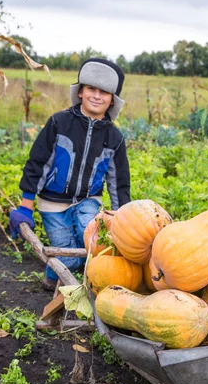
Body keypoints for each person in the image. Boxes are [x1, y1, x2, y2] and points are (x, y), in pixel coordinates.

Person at [9, 58, 131, 291]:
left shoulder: (114, 138)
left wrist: (122, 216)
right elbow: (38, 162)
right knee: (68, 255)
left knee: (93, 246)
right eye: (91, 89)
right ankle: (53, 279)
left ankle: (89, 285)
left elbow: (119, 182)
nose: (97, 96)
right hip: (51, 203)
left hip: (88, 200)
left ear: (112, 100)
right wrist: (26, 205)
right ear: (80, 92)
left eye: (104, 92)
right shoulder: (59, 123)